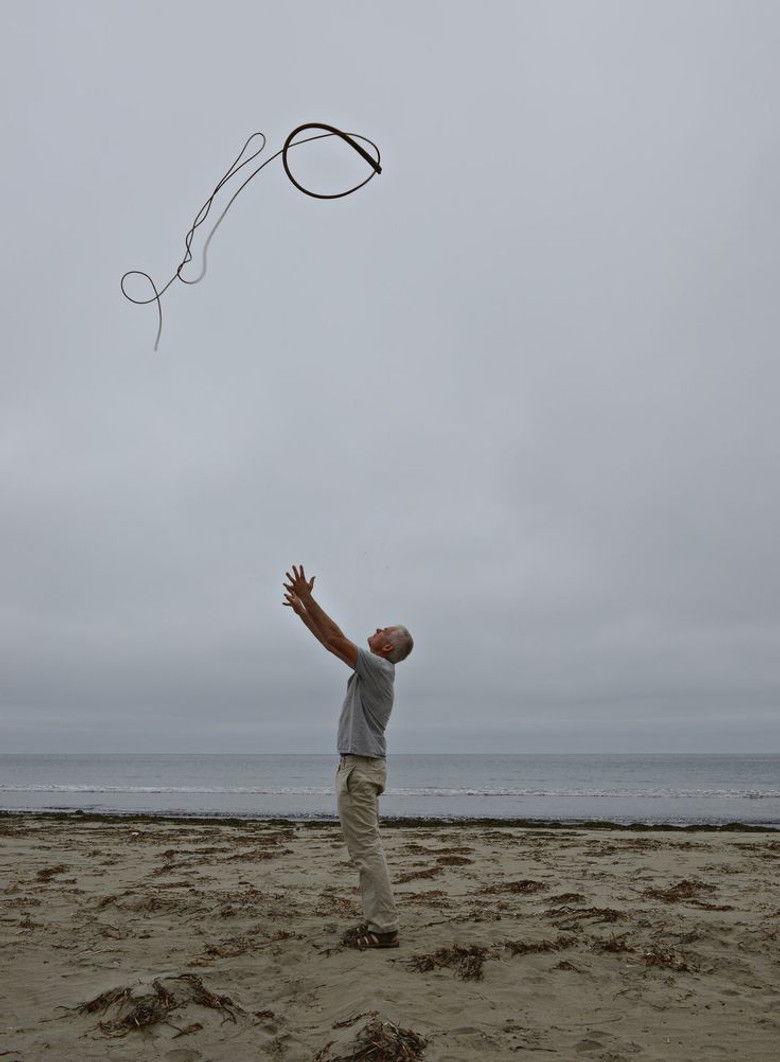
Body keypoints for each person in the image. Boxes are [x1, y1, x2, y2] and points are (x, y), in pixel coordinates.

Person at [282, 564, 413, 949]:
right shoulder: (374, 669)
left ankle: (383, 929)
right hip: (359, 767)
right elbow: (331, 643)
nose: (377, 629)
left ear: (386, 647)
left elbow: (336, 637)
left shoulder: (379, 668)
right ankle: (379, 922)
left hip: (361, 768)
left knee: (367, 850)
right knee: (365, 849)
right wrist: (304, 614)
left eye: (384, 630)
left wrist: (309, 599)